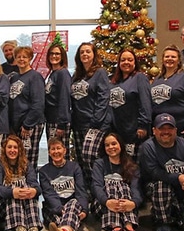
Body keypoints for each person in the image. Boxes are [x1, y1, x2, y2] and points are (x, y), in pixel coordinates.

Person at [138, 113, 184, 231]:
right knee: (162, 186)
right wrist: (179, 178)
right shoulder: (148, 147)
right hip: (158, 187)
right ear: (154, 130)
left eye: (169, 128)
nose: (166, 132)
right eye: (162, 128)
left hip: (183, 189)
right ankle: (162, 221)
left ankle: (171, 209)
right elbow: (153, 172)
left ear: (175, 130)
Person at [0, 135, 44, 231]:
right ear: (4, 149)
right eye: (9, 147)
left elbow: (37, 186)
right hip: (4, 208)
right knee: (14, 192)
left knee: (28, 190)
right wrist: (12, 192)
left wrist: (33, 191)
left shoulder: (26, 164)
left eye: (15, 147)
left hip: (26, 208)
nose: (12, 150)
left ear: (20, 149)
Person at [70, 42, 112, 187]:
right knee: (82, 160)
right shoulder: (77, 75)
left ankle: (99, 190)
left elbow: (104, 97)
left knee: (91, 159)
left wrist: (96, 121)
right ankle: (87, 191)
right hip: (78, 125)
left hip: (95, 125)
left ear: (94, 54)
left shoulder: (100, 73)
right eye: (82, 52)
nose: (85, 54)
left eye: (88, 51)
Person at [91, 133, 141, 231]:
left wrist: (133, 203)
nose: (111, 147)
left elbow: (136, 189)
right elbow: (96, 186)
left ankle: (129, 230)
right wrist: (107, 201)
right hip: (103, 206)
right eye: (107, 145)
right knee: (111, 186)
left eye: (114, 143)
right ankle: (117, 230)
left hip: (127, 206)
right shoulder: (99, 163)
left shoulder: (131, 165)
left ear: (120, 145)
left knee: (124, 187)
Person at [39, 137, 87, 231]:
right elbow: (48, 194)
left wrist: (85, 209)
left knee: (72, 205)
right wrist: (59, 208)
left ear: (64, 150)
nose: (56, 151)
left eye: (58, 148)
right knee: (56, 220)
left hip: (73, 204)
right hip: (53, 207)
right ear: (49, 152)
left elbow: (81, 189)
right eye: (53, 149)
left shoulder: (74, 167)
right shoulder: (44, 171)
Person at [150, 44, 184, 141]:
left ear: (179, 60)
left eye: (173, 57)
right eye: (167, 56)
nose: (170, 59)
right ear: (162, 59)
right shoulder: (157, 79)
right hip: (160, 130)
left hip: (182, 130)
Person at [110, 49, 152, 158]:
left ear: (135, 62)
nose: (126, 62)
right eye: (123, 60)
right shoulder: (114, 81)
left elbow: (145, 102)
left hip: (135, 131)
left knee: (134, 165)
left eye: (130, 60)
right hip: (118, 130)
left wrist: (143, 125)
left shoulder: (140, 78)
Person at [9, 46, 46, 170]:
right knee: (17, 158)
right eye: (18, 57)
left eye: (24, 57)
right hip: (17, 124)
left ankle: (31, 187)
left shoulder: (35, 77)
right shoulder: (14, 78)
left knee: (28, 159)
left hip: (31, 124)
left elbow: (38, 104)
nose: (21, 59)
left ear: (30, 58)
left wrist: (27, 125)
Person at [44, 43, 72, 158]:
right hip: (51, 119)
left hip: (59, 121)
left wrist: (61, 124)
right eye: (51, 53)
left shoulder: (63, 73)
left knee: (59, 153)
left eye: (57, 54)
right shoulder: (53, 74)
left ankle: (64, 176)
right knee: (53, 153)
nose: (54, 56)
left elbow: (64, 98)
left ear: (62, 56)